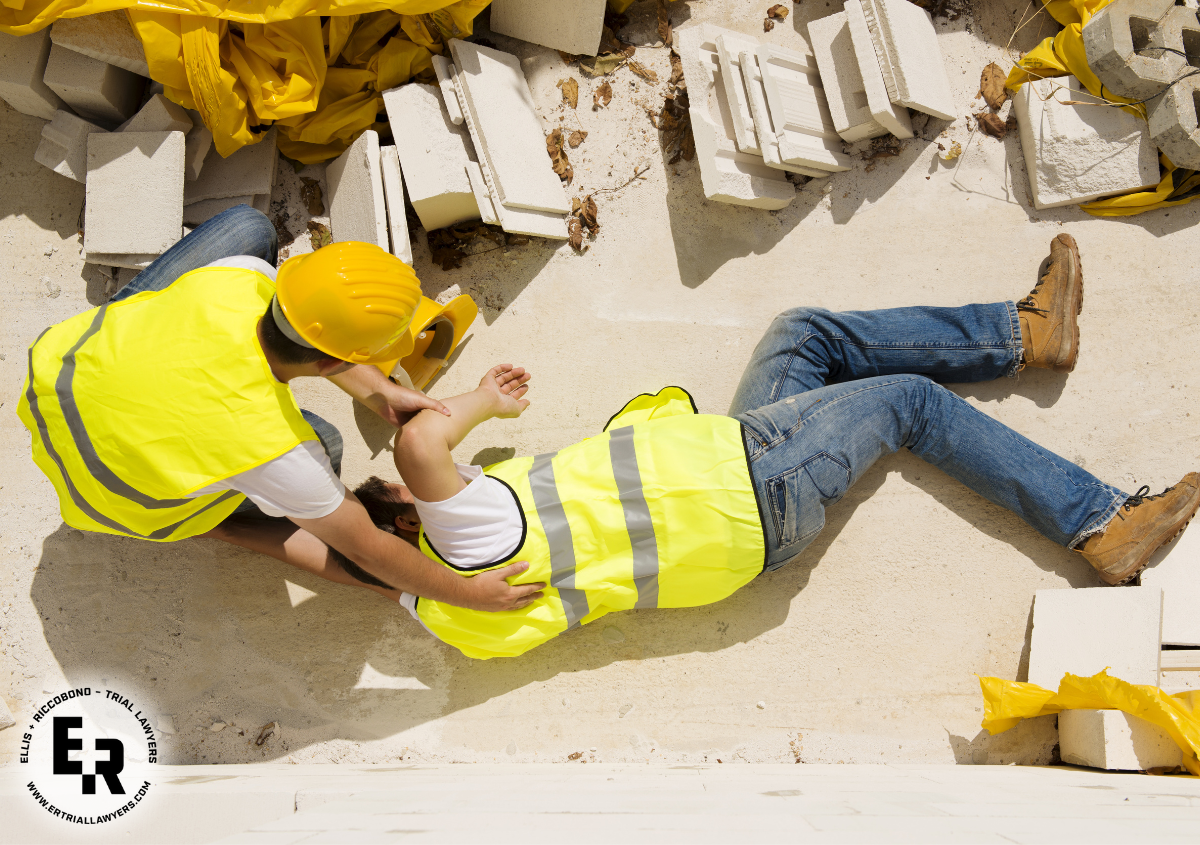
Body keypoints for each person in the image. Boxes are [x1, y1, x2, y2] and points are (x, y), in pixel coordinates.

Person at [216, 235, 1199, 659]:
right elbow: (428, 444)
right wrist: (476, 398)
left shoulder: (436, 609)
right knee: (906, 401)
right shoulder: (467, 538)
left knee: (802, 335)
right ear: (404, 512)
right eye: (387, 488)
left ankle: (1027, 335)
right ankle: (1101, 523)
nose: (396, 474)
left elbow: (329, 556)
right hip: (748, 492)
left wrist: (225, 526)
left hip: (725, 495)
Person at [18, 205, 543, 613]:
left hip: (58, 379)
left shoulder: (239, 278)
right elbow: (365, 551)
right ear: (336, 359)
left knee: (248, 227)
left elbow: (310, 337)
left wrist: (377, 390)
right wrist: (467, 594)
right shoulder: (280, 451)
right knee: (329, 447)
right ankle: (211, 517)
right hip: (113, 497)